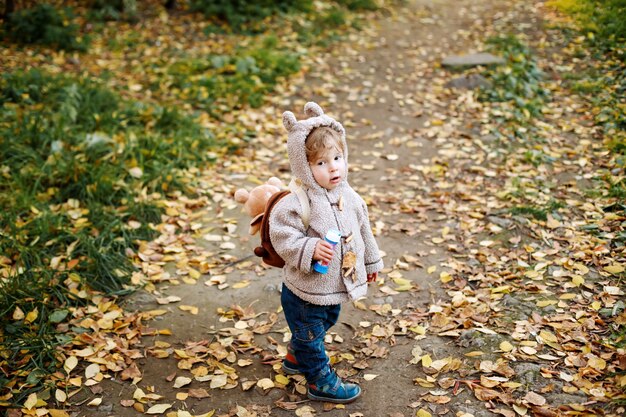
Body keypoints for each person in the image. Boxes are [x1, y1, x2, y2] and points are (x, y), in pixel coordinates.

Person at [269, 102, 384, 404]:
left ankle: (296, 356)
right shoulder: (297, 202)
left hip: (334, 287)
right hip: (305, 292)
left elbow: (363, 230)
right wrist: (308, 248)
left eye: (337, 158)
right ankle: (319, 380)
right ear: (304, 166)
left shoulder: (350, 196)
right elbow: (280, 235)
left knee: (327, 319)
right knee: (311, 333)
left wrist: (370, 261)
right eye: (321, 163)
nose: (333, 167)